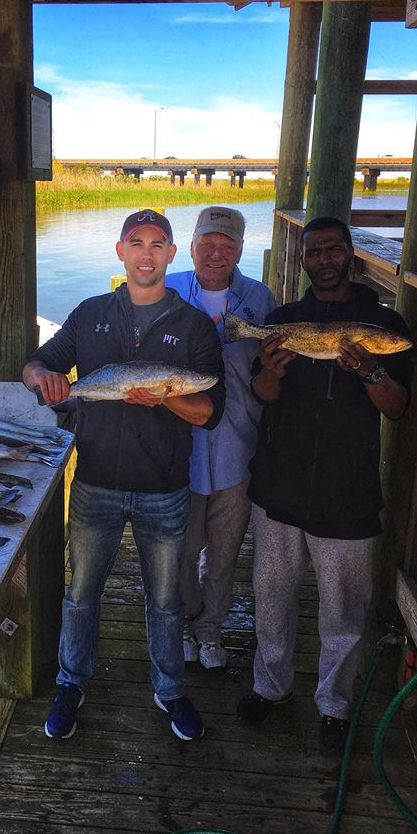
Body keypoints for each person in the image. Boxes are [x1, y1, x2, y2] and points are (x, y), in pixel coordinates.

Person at [22, 209, 225, 742]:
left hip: (165, 488)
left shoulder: (193, 326)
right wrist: (46, 379)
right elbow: (37, 365)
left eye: (158, 244)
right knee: (82, 592)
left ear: (172, 255)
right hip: (94, 484)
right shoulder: (91, 314)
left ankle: (170, 688)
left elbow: (208, 410)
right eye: (137, 243)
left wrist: (165, 400)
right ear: (120, 251)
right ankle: (71, 682)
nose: (147, 254)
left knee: (165, 598)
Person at [235, 215, 413, 755]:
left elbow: (398, 407)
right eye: (315, 251)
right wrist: (271, 369)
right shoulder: (285, 319)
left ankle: (334, 707)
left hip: (348, 491)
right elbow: (263, 395)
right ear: (305, 259)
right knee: (271, 597)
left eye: (334, 249)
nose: (325, 258)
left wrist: (370, 371)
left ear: (351, 254)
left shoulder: (383, 324)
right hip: (280, 484)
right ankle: (271, 687)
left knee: (343, 608)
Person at [167, 207, 276, 669]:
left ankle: (211, 630)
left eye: (227, 244)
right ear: (190, 246)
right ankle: (183, 624)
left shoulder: (260, 297)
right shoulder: (165, 290)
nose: (216, 252)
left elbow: (269, 371)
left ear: (240, 251)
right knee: (183, 550)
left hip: (238, 446)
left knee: (226, 551)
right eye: (207, 242)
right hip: (177, 451)